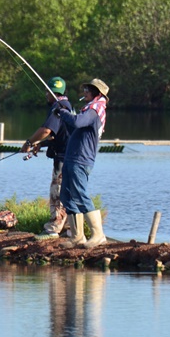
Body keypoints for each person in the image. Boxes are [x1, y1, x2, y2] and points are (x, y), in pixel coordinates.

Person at [57, 78, 109, 248]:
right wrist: (65, 115)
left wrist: (64, 113)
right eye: (85, 88)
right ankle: (77, 237)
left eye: (88, 89)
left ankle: (98, 235)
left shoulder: (96, 109)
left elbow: (78, 122)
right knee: (66, 195)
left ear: (97, 93)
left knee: (80, 194)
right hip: (72, 157)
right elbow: (75, 127)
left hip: (82, 158)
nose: (84, 91)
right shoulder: (88, 109)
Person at [21, 76, 72, 237]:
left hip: (64, 158)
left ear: (50, 92)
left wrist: (29, 142)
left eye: (47, 92)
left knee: (57, 191)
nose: (46, 95)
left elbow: (46, 130)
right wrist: (41, 145)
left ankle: (53, 228)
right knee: (68, 191)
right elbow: (60, 135)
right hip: (70, 155)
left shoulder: (58, 108)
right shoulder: (68, 106)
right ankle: (69, 229)